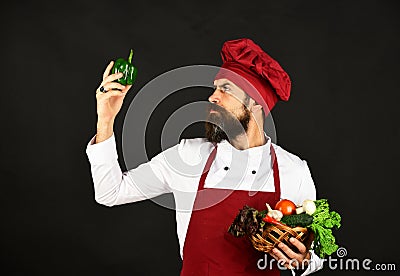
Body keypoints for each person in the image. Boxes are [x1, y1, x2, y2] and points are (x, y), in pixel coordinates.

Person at [86, 38, 324, 275]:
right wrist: (105, 120)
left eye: (226, 88)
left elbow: (318, 254)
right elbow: (110, 192)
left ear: (255, 103)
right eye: (215, 87)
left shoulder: (292, 170)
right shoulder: (188, 156)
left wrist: (305, 259)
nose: (213, 96)